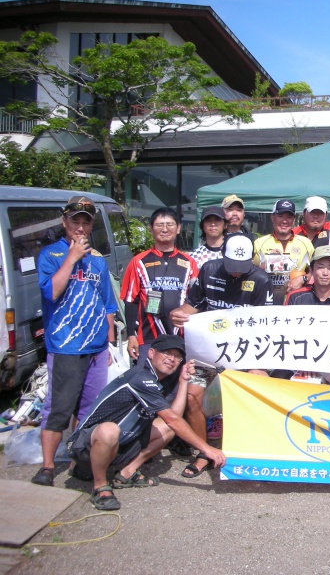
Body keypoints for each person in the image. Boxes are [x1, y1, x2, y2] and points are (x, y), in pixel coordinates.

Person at [65, 335, 226, 510]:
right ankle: (100, 486)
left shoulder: (155, 380)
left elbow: (174, 417)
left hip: (119, 443)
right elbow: (172, 419)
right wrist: (207, 449)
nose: (172, 359)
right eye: (166, 353)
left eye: (177, 356)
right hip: (86, 446)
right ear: (150, 353)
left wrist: (183, 381)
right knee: (108, 430)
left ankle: (127, 473)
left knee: (167, 429)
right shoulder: (140, 377)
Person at [170, 232, 273, 477]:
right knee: (193, 394)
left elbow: (266, 326)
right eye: (232, 266)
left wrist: (258, 366)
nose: (237, 271)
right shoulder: (209, 270)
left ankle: (246, 448)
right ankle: (204, 451)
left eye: (242, 266)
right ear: (222, 256)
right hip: (209, 351)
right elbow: (191, 306)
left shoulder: (261, 279)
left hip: (246, 352)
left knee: (260, 383)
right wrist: (178, 314)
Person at [31, 196, 118, 487]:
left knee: (89, 409)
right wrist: (71, 257)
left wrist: (109, 341)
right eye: (75, 220)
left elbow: (107, 302)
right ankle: (46, 466)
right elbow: (51, 293)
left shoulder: (98, 260)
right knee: (59, 407)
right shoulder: (50, 255)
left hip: (96, 346)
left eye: (86, 221)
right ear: (64, 222)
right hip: (66, 344)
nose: (80, 227)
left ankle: (78, 459)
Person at [121, 207, 198, 363]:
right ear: (151, 229)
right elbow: (131, 300)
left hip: (181, 337)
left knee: (178, 385)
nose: (164, 229)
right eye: (159, 225)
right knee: (147, 383)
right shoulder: (139, 261)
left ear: (178, 229)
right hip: (148, 338)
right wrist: (131, 334)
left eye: (169, 224)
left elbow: (196, 300)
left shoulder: (189, 263)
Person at [284, 246, 330, 386]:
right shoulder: (296, 297)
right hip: (298, 364)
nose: (325, 273)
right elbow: (286, 334)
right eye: (320, 267)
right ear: (311, 270)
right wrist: (304, 366)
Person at [253, 199, 314, 305]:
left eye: (289, 217)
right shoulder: (259, 243)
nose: (284, 221)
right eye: (280, 216)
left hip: (296, 301)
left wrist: (303, 278)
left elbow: (314, 271)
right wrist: (265, 265)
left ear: (294, 219)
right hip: (265, 301)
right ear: (272, 217)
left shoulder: (306, 243)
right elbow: (249, 274)